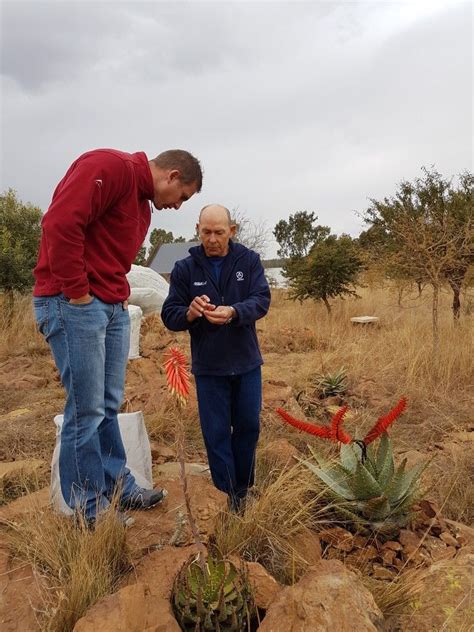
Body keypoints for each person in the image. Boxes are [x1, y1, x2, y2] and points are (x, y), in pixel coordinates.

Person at [33, 148, 203, 526]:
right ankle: (88, 510)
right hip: (72, 302)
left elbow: (112, 259)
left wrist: (116, 299)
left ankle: (116, 485)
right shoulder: (109, 168)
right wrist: (77, 292)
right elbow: (60, 223)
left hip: (110, 306)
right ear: (174, 176)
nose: (178, 206)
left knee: (108, 404)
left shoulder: (142, 207)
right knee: (87, 408)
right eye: (184, 197)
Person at [161, 204, 271, 511]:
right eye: (206, 232)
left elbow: (261, 300)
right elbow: (169, 315)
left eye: (219, 232)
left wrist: (235, 312)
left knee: (248, 425)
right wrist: (190, 313)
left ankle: (243, 488)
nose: (211, 239)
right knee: (216, 432)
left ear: (231, 231)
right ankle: (226, 496)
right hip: (210, 367)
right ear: (197, 230)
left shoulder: (248, 261)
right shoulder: (185, 269)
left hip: (247, 362)